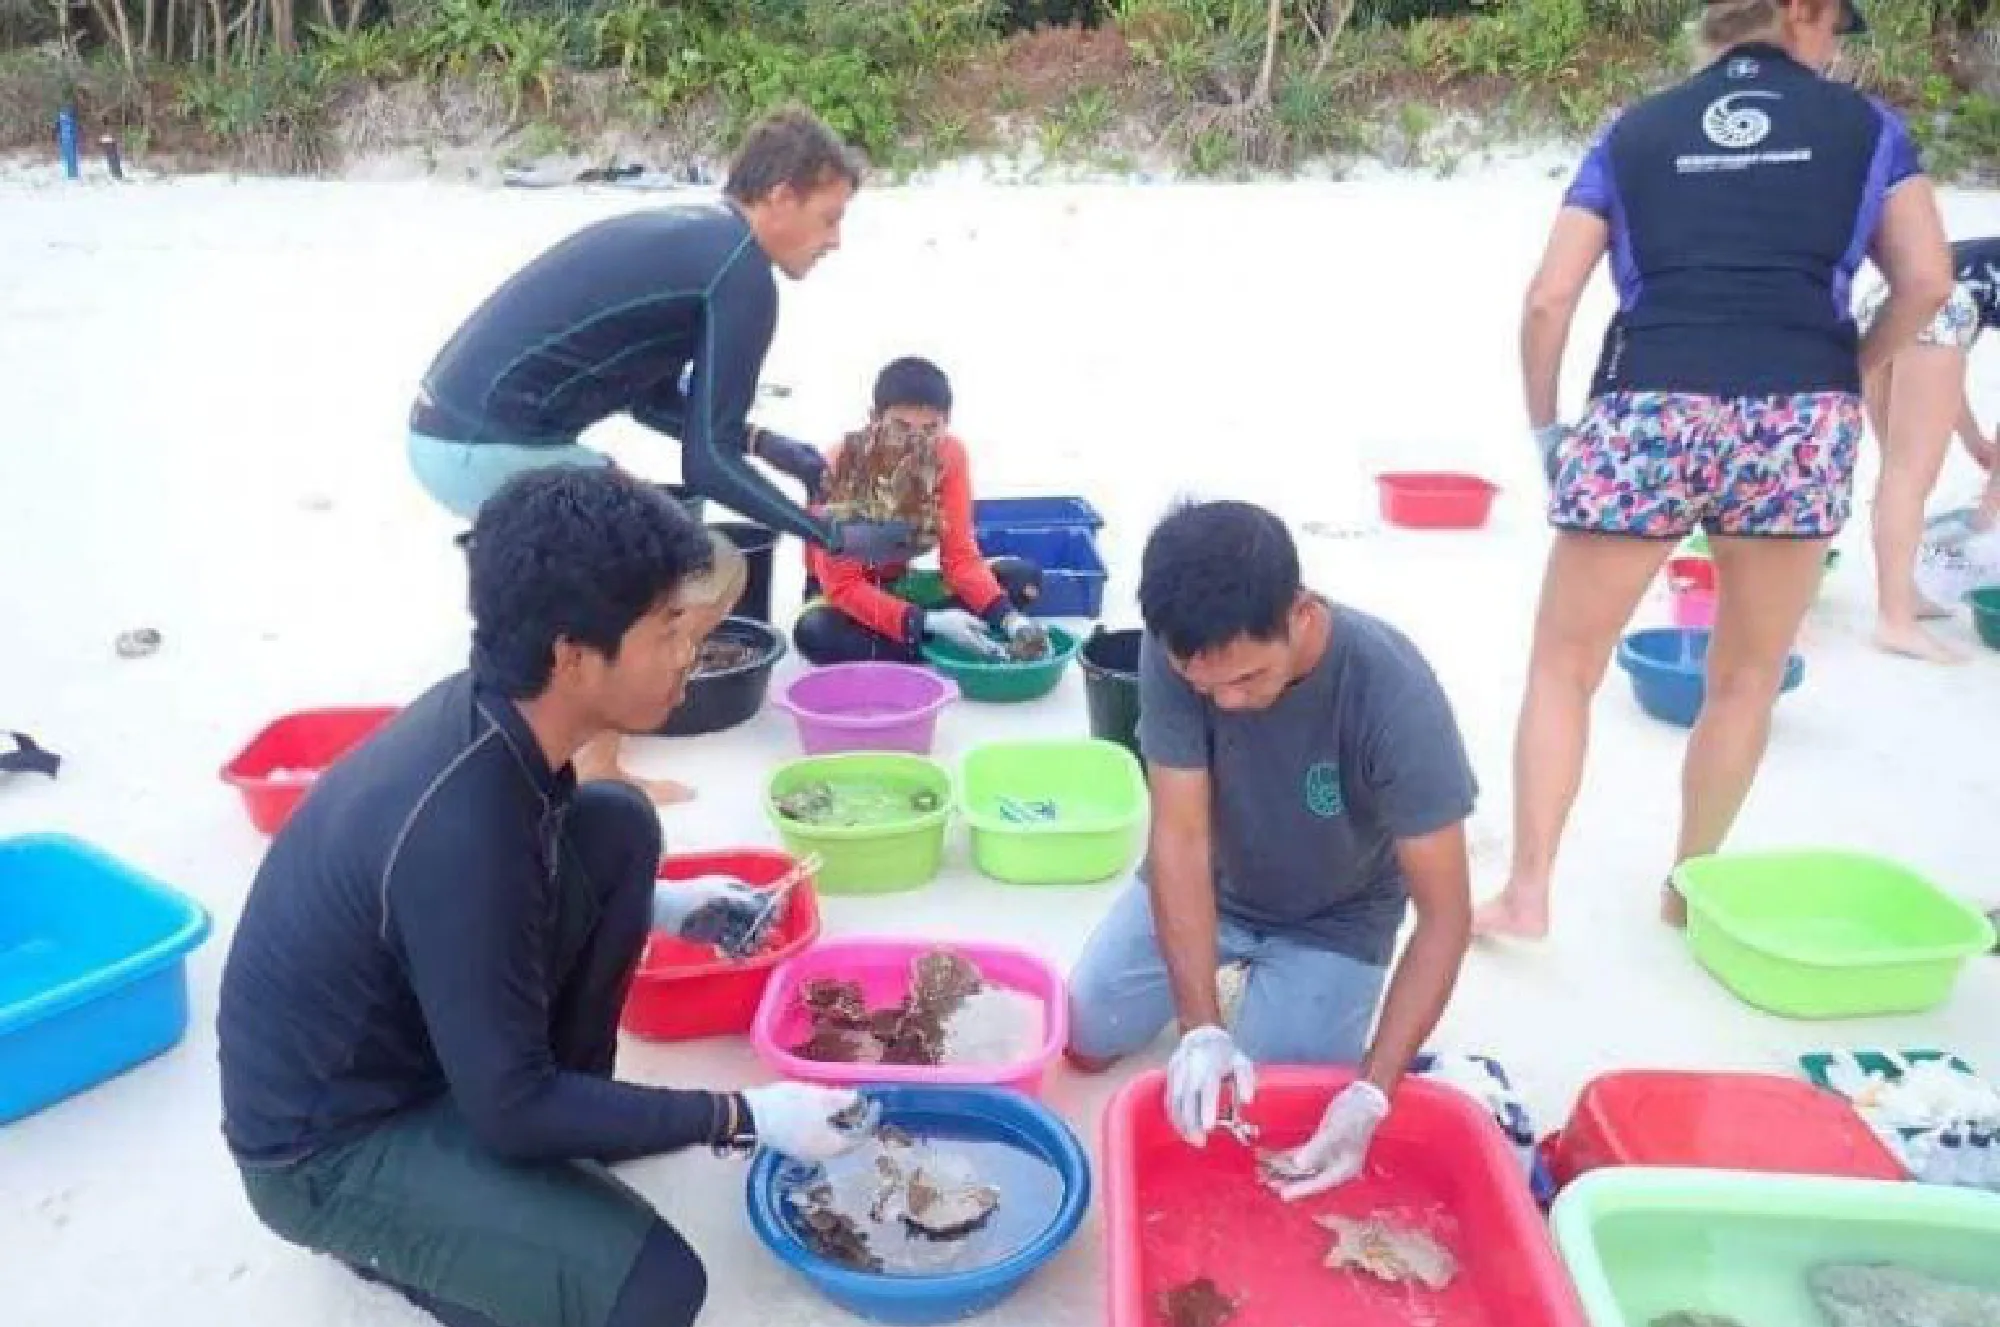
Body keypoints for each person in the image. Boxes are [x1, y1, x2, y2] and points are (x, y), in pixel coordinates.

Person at [218, 465, 866, 1327]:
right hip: (329, 1146)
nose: (689, 652)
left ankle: (560, 1138)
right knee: (649, 1302)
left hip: (432, 1041)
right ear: (573, 656)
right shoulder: (461, 824)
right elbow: (511, 1107)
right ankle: (394, 1240)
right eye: (667, 630)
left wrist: (668, 906)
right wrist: (745, 1114)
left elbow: (529, 871)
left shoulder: (503, 716)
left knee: (615, 826)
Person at [1473, 0, 1955, 941]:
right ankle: (1686, 888)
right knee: (1745, 675)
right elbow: (1929, 280)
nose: (1836, 48)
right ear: (1802, 12)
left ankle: (1527, 891)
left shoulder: (1634, 131)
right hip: (1797, 416)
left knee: (1564, 664)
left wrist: (1547, 429)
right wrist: (1849, 365)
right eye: (1837, 27)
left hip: (1650, 406)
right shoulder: (1869, 129)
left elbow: (1548, 300)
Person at [405, 105, 910, 801]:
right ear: (780, 197)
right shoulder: (741, 273)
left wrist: (768, 445)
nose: (836, 241)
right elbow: (707, 462)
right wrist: (829, 535)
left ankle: (559, 729)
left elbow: (649, 399)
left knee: (627, 548)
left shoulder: (704, 239)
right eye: (829, 218)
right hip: (486, 444)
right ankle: (593, 763)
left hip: (447, 432)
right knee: (702, 568)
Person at [1066, 498, 1477, 1200]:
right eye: (1204, 686)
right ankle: (1221, 992)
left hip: (1335, 916)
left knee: (1273, 1118)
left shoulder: (1394, 695)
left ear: (1302, 614)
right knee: (1085, 1029)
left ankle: (1270, 993)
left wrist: (1374, 1092)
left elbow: (1446, 917)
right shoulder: (1178, 647)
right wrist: (1199, 1028)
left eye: (1248, 678)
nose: (1225, 703)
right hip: (1217, 882)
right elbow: (1181, 837)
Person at [792, 357, 1045, 665]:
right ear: (874, 420)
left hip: (900, 584)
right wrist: (925, 622)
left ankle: (919, 642)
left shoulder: (950, 455)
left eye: (930, 429)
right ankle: (935, 640)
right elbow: (843, 586)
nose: (915, 442)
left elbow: (960, 557)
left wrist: (1009, 620)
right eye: (901, 427)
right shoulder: (839, 466)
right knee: (817, 633)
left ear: (946, 423)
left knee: (1022, 579)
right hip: (838, 595)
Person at [1856, 235, 2000, 661]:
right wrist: (1991, 502)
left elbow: (1945, 369)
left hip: (1888, 297)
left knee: (1896, 470)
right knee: (1908, 477)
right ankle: (1895, 620)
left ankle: (1902, 597)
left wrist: (1973, 440)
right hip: (1939, 308)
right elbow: (1946, 330)